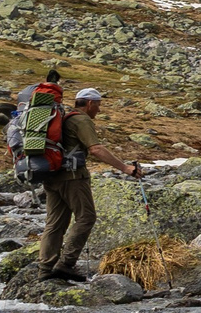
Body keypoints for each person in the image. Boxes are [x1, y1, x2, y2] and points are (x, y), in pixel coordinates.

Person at [40, 88, 144, 279]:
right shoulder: (81, 120)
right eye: (98, 105)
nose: (99, 110)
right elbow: (96, 149)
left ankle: (45, 270)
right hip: (72, 178)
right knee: (86, 217)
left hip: (51, 176)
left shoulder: (62, 118)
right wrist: (125, 168)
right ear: (89, 103)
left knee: (54, 224)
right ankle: (66, 264)